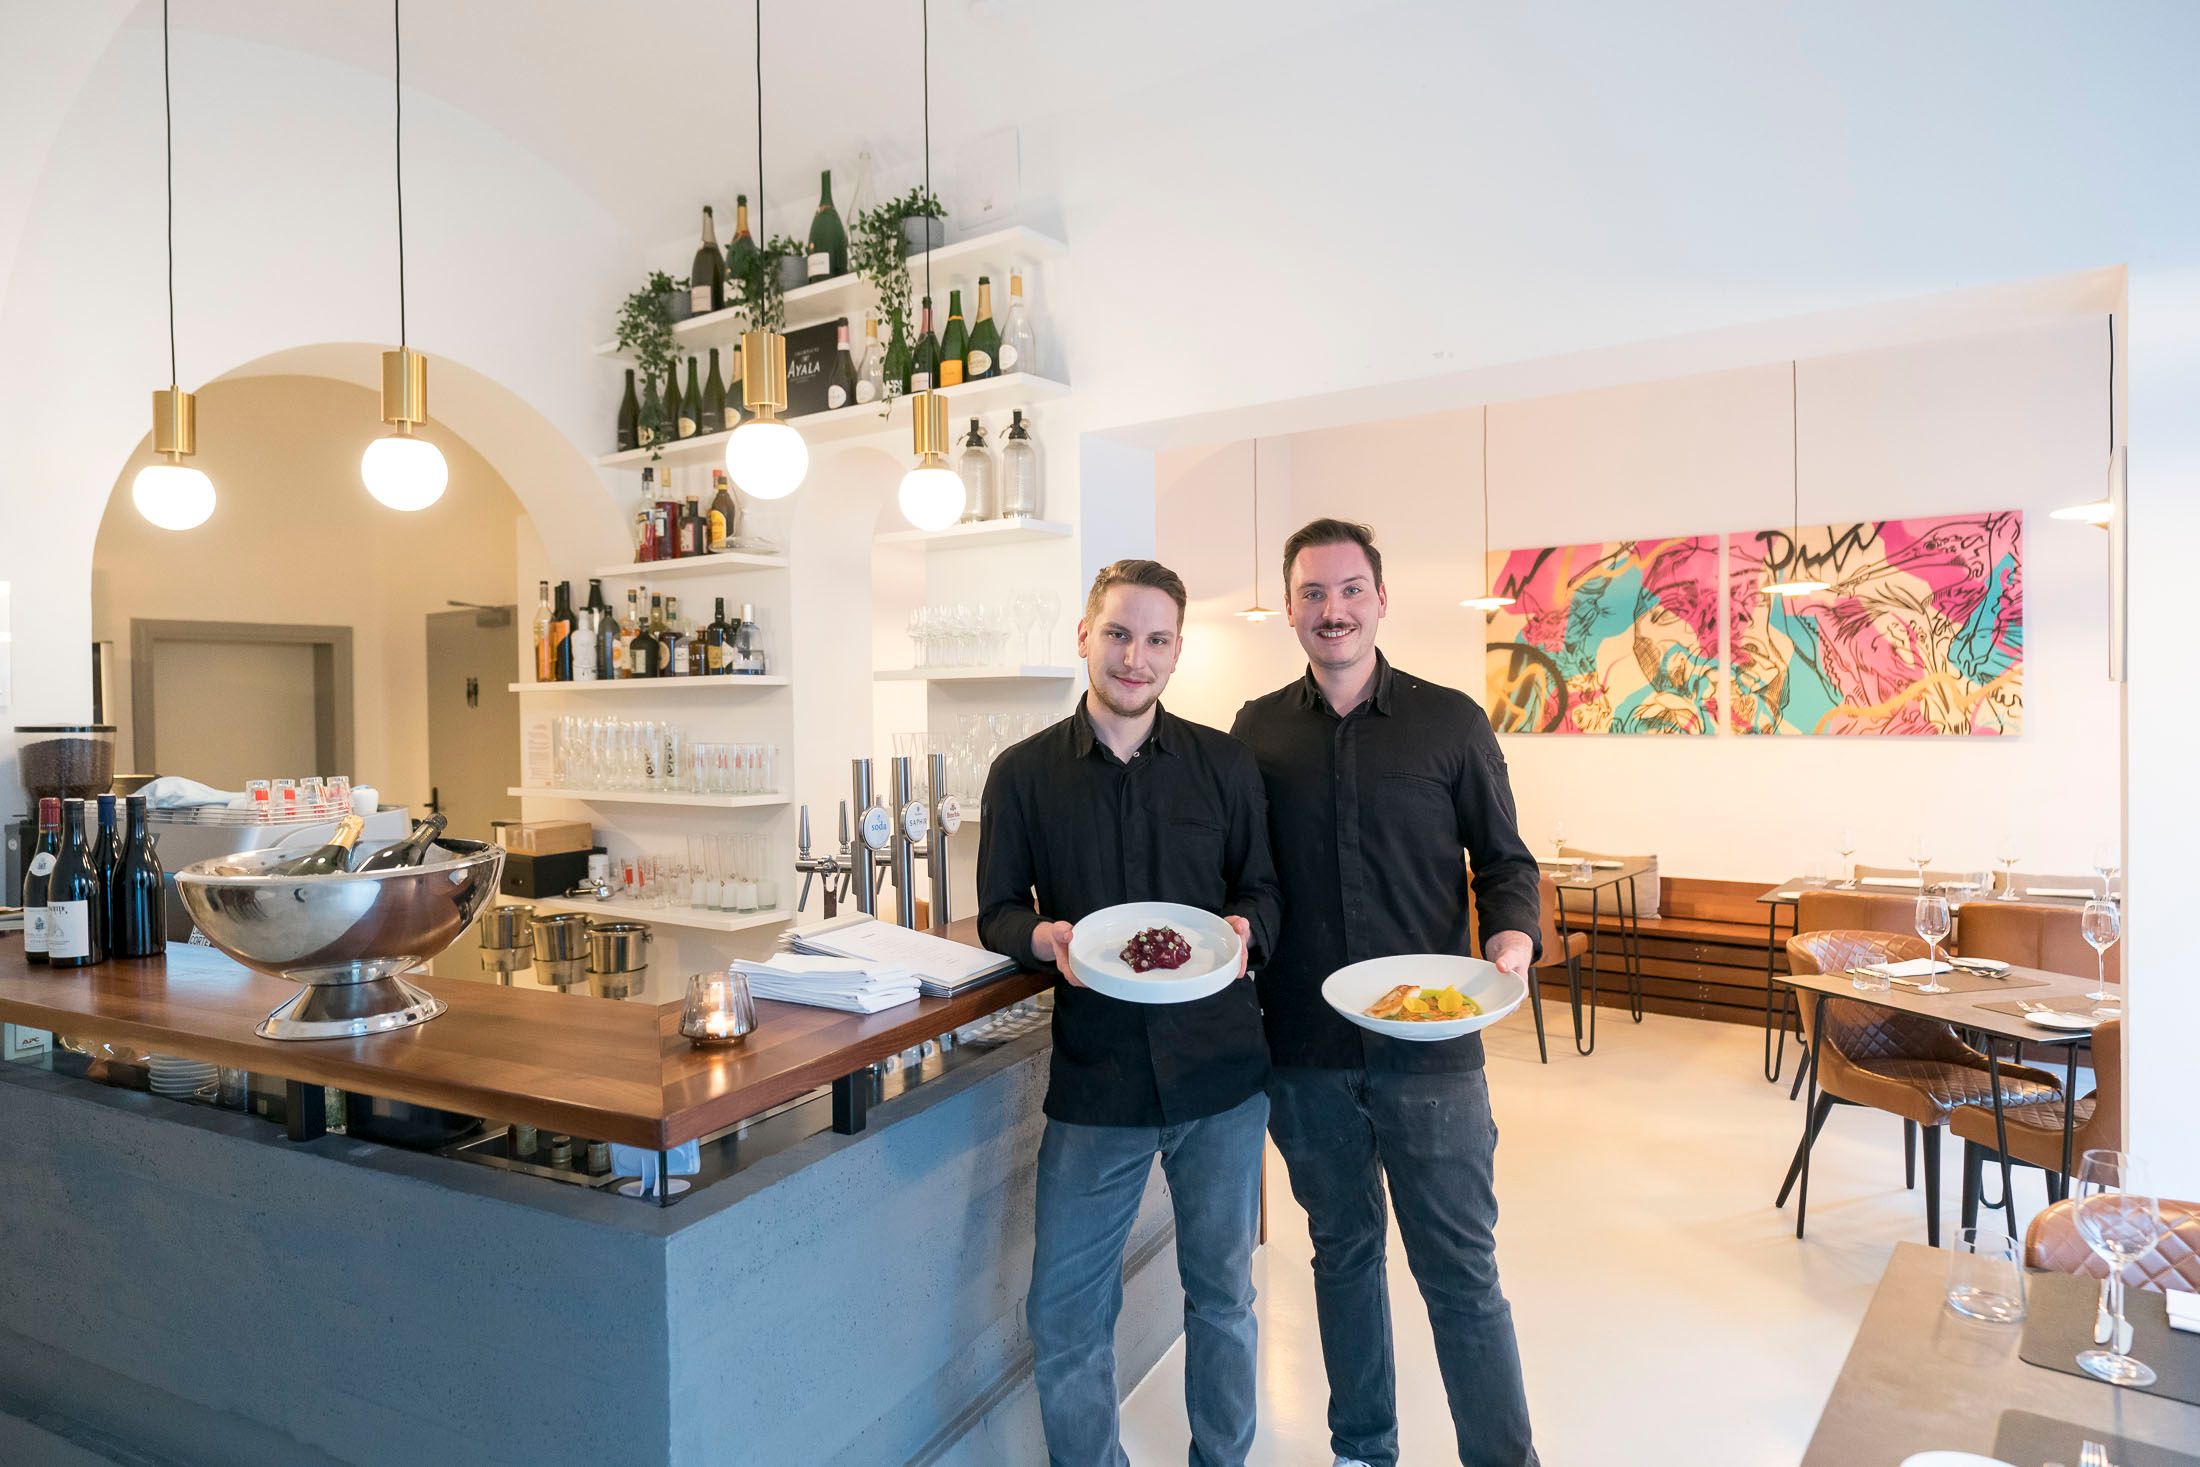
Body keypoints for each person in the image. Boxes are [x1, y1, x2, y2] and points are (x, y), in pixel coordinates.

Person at [1231, 518, 1544, 1467]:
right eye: (1314, 593)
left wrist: (1513, 934)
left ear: (1380, 598)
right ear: (1290, 608)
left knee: (1460, 1272)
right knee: (1342, 1256)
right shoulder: (1255, 730)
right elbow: (1250, 877)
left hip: (1432, 1052)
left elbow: (1504, 860)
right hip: (1306, 1053)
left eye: (1350, 588)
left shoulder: (1451, 720)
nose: (1333, 609)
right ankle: (1363, 1447)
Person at [977, 558, 1283, 1467]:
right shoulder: (1022, 773)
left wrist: (1244, 929)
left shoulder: (1225, 764)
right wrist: (1045, 938)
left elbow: (1263, 891)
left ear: (1179, 650)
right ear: (1084, 634)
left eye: (1156, 639)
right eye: (1118, 634)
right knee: (1065, 1313)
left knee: (1223, 1297)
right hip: (1097, 1078)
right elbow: (998, 908)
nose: (1134, 657)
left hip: (1221, 1075)